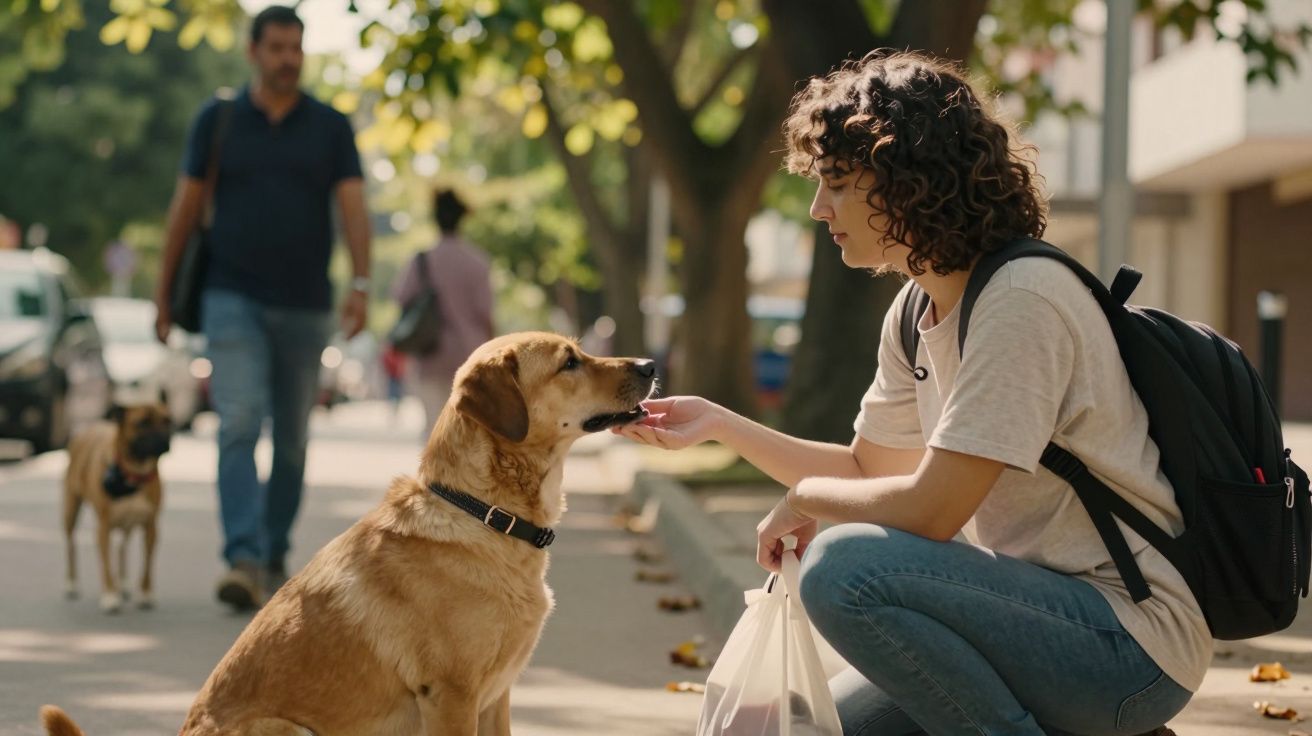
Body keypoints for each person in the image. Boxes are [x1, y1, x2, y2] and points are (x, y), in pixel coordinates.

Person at [615, 50, 1207, 735]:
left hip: (1126, 644)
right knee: (820, 727)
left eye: (836, 182)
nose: (816, 207)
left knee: (845, 569)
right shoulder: (916, 311)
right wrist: (719, 423)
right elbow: (869, 473)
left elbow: (928, 512)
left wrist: (805, 500)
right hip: (1023, 619)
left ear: (906, 177)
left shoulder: (1022, 300)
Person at [153, 5, 371, 611]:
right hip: (231, 296)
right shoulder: (218, 119)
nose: (288, 59)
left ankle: (273, 549)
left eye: (295, 48)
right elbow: (187, 205)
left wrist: (362, 284)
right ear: (253, 51)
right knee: (239, 422)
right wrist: (164, 289)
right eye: (276, 47)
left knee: (294, 438)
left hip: (305, 305)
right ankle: (243, 556)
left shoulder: (330, 126)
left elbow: (353, 208)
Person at [391, 189, 494, 437]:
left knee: (434, 429)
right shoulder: (477, 262)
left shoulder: (421, 261)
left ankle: (436, 475)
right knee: (468, 430)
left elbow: (402, 299)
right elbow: (485, 314)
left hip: (430, 354)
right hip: (471, 355)